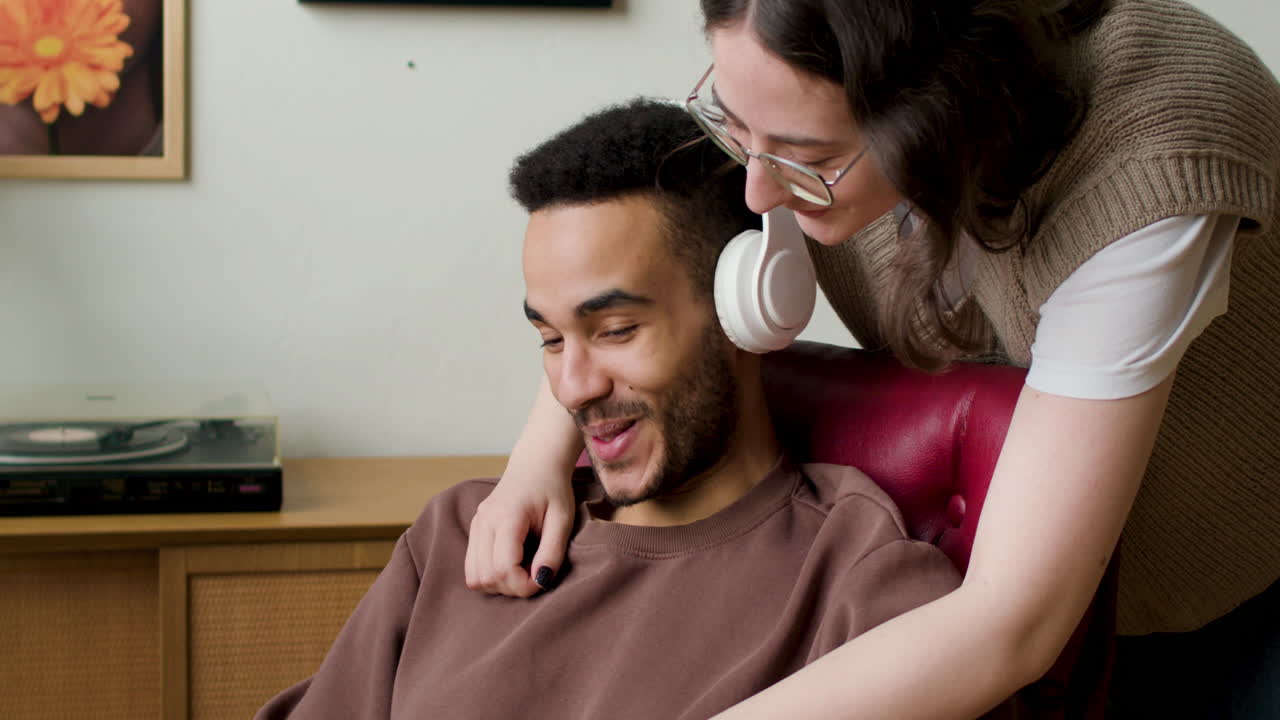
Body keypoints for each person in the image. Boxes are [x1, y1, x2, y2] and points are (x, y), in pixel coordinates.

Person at [465, 1, 1280, 718]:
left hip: (1229, 590)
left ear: (938, 114)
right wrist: (537, 457)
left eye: (808, 161)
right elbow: (632, 275)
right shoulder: (785, 67)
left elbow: (1013, 619)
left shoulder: (1150, 152)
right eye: (734, 124)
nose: (753, 192)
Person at [254, 98, 975, 720]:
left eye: (617, 331)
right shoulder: (458, 539)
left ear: (748, 312)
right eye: (548, 338)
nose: (573, 387)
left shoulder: (858, 584)